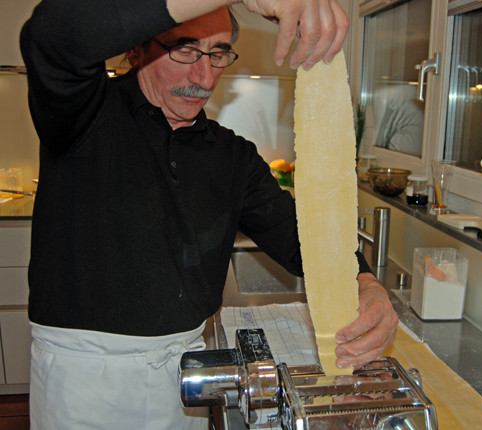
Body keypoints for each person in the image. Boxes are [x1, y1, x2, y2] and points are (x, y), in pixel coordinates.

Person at [20, 0, 399, 428]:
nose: (203, 77)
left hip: (187, 376)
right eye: (184, 49)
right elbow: (50, 35)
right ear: (136, 49)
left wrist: (366, 283)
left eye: (218, 53)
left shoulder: (232, 156)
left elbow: (304, 239)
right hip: (86, 383)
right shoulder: (81, 116)